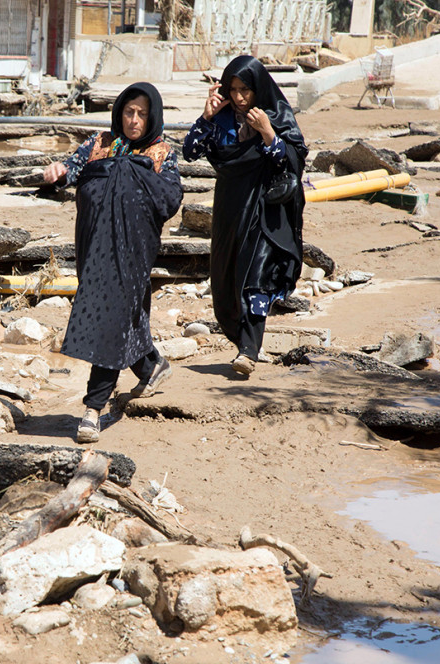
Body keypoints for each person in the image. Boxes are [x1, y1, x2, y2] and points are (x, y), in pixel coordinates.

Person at [42, 82, 183, 444]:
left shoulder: (162, 152)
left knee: (110, 314)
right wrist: (57, 173)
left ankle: (93, 409)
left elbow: (170, 198)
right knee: (122, 313)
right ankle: (151, 366)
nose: (134, 120)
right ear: (119, 112)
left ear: (153, 117)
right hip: (93, 245)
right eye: (128, 112)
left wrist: (132, 174)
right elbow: (71, 171)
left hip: (133, 250)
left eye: (142, 114)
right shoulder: (98, 144)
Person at [182, 55, 307, 378]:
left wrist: (268, 133)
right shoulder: (220, 119)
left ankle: (248, 351)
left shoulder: (275, 115)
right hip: (229, 209)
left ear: (258, 89)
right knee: (225, 280)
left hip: (265, 209)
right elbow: (191, 151)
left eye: (245, 90)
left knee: (257, 277)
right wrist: (207, 116)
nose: (238, 97)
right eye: (232, 89)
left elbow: (293, 161)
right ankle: (242, 340)